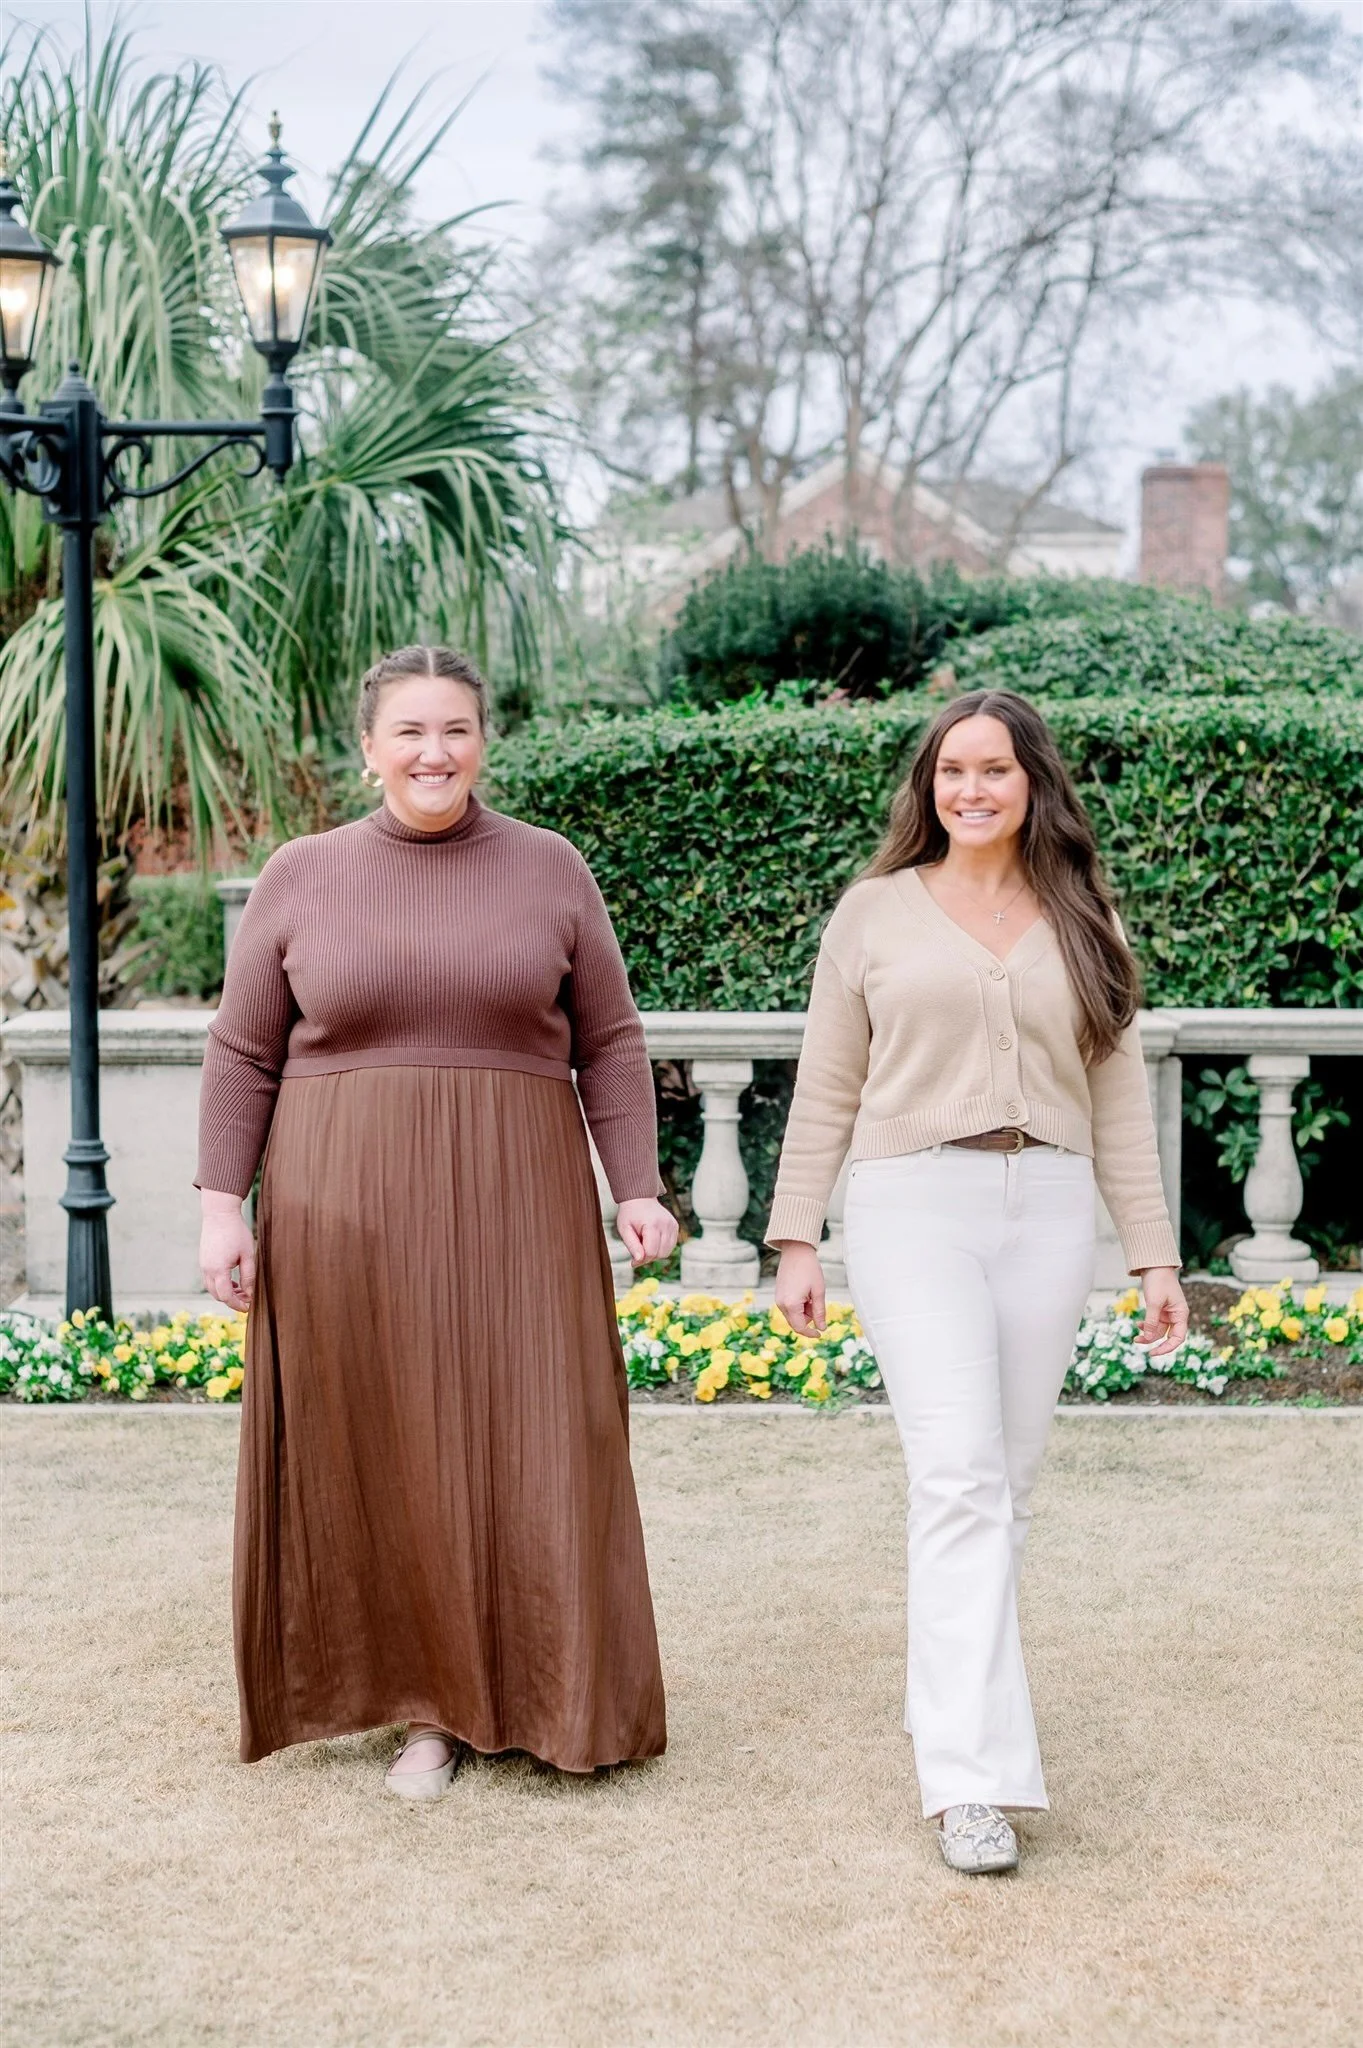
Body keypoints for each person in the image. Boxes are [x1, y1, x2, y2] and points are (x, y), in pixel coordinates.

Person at [198, 644, 676, 1799]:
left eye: (454, 727)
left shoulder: (550, 868)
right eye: (409, 731)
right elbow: (243, 1047)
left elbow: (607, 1037)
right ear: (368, 749)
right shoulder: (301, 874)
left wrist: (640, 1185)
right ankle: (421, 1704)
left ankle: (554, 1692)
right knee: (381, 1440)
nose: (433, 751)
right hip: (339, 1210)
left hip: (520, 1202)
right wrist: (222, 1204)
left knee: (537, 1430)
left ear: (483, 740)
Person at [768, 688, 1185, 1874]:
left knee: (1002, 1486)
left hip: (1046, 1209)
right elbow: (827, 1084)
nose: (971, 789)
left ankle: (944, 1701)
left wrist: (1151, 1252)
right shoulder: (873, 913)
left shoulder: (1081, 910)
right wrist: (797, 1235)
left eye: (994, 769)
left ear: (1031, 783)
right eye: (951, 769)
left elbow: (1114, 1096)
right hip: (913, 1208)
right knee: (956, 1476)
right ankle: (969, 1780)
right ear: (927, 785)